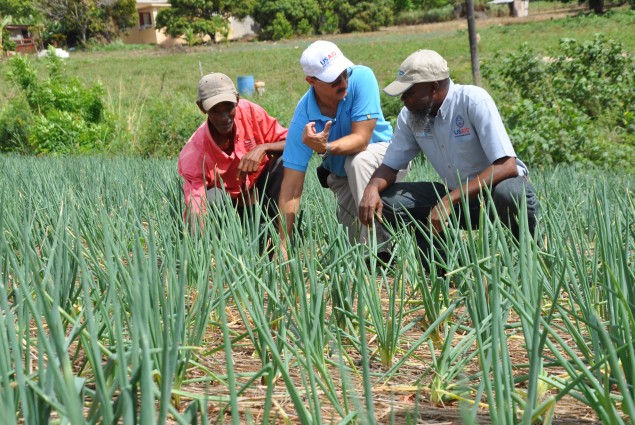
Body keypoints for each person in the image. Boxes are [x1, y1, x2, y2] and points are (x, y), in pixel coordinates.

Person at [359, 49, 539, 270]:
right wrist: (372, 188)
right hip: (458, 199)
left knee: (509, 192)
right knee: (389, 201)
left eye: (409, 92)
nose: (403, 100)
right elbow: (390, 166)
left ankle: (532, 260)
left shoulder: (473, 100)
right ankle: (446, 270)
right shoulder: (410, 117)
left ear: (433, 86)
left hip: (495, 194)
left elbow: (507, 165)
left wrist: (449, 200)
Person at [278, 40, 406, 256]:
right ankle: (370, 254)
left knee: (357, 161)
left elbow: (362, 139)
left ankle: (381, 253)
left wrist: (325, 147)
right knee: (354, 248)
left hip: (385, 159)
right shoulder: (304, 118)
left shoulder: (362, 77)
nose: (343, 81)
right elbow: (291, 186)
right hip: (343, 176)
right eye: (333, 80)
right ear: (311, 81)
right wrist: (283, 246)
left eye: (344, 73)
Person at [178, 72, 288, 228]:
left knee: (285, 161)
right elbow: (196, 206)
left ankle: (281, 232)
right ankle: (225, 239)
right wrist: (199, 248)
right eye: (216, 110)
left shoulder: (250, 112)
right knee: (212, 197)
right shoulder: (195, 152)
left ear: (237, 100)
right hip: (229, 207)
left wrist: (264, 147)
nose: (224, 117)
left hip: (261, 194)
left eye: (229, 108)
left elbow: (293, 142)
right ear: (202, 107)